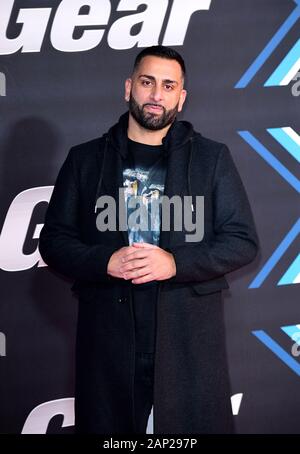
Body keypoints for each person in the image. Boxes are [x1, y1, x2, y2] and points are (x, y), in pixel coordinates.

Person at [39, 45, 259, 434]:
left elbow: (242, 240)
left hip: (186, 342)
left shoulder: (212, 159)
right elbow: (54, 241)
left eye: (168, 86)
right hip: (108, 342)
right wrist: (104, 261)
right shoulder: (85, 159)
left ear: (181, 97)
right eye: (147, 82)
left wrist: (175, 263)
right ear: (129, 88)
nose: (157, 94)